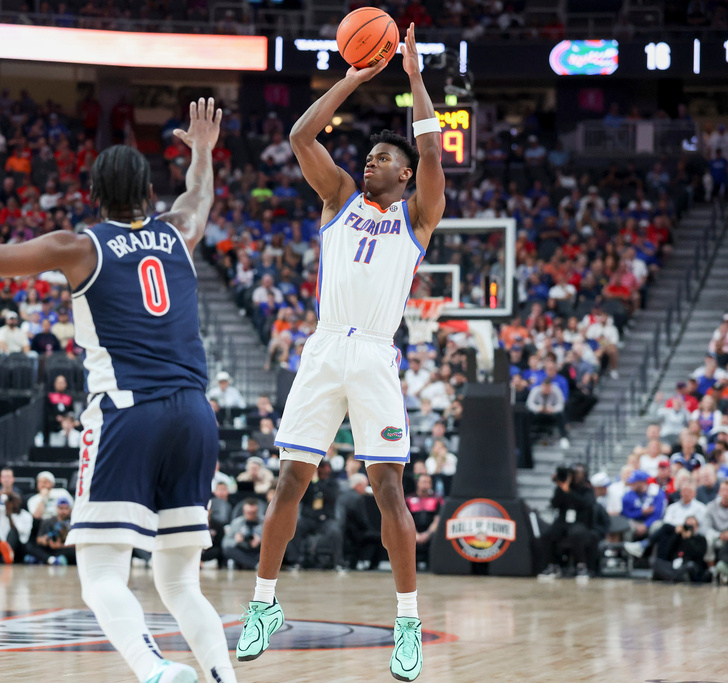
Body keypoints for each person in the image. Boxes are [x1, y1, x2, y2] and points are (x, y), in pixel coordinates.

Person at [0, 97, 236, 683]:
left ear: (94, 194)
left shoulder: (80, 246)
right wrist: (200, 151)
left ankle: (155, 672)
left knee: (100, 577)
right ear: (147, 192)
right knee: (179, 581)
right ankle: (222, 678)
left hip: (129, 413)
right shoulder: (179, 232)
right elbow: (199, 194)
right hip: (196, 415)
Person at [237, 27, 444, 681]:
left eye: (382, 160)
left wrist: (412, 77)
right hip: (325, 349)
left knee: (388, 488)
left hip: (376, 357)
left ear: (403, 172)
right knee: (291, 479)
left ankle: (406, 622)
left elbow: (433, 148)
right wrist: (356, 74)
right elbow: (303, 136)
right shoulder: (337, 201)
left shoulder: (417, 215)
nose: (369, 166)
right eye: (368, 160)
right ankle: (262, 606)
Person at [539, 465, 597, 579]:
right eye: (574, 473)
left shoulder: (587, 489)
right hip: (563, 521)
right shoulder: (562, 487)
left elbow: (586, 504)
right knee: (548, 534)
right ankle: (553, 565)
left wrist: (568, 491)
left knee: (576, 534)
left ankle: (581, 566)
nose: (577, 476)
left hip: (581, 521)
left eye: (579, 473)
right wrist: (561, 487)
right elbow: (555, 503)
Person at [651, 515, 709, 582]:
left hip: (689, 566)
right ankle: (677, 577)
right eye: (687, 525)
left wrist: (689, 538)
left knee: (690, 566)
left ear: (696, 527)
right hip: (675, 566)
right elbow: (668, 551)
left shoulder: (701, 539)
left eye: (692, 526)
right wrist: (676, 534)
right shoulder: (679, 536)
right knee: (655, 562)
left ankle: (672, 577)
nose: (689, 528)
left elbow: (698, 555)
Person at [27, 497, 76, 565]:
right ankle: (51, 559)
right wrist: (46, 541)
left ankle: (44, 559)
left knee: (75, 552)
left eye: (66, 508)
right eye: (61, 508)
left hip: (65, 549)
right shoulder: (48, 521)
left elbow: (76, 543)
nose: (63, 511)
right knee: (30, 546)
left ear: (70, 510)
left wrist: (61, 545)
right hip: (49, 549)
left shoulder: (73, 522)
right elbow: (38, 539)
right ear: (57, 508)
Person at [222, 498, 264, 570]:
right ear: (244, 511)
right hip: (242, 551)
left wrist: (261, 540)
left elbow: (274, 541)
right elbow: (225, 543)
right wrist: (236, 541)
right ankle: (255, 565)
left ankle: (251, 564)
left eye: (253, 513)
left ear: (257, 511)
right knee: (228, 550)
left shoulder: (265, 522)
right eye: (248, 512)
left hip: (259, 551)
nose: (251, 515)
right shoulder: (236, 523)